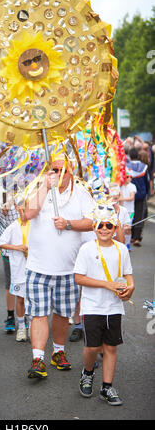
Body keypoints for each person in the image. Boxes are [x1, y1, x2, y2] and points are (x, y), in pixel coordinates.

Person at [24, 157, 94, 379]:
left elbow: (93, 221)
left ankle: (58, 352)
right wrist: (45, 186)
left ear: (71, 173)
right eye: (54, 169)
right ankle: (38, 359)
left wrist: (69, 224)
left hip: (67, 268)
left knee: (62, 314)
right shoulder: (40, 188)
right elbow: (28, 214)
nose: (58, 173)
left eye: (63, 169)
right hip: (38, 266)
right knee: (39, 313)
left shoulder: (81, 193)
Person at [74, 202, 135, 406]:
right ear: (94, 227)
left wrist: (130, 288)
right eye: (100, 225)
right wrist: (106, 284)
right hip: (92, 306)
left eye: (109, 225)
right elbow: (79, 278)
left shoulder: (121, 250)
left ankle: (107, 386)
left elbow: (128, 276)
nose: (104, 229)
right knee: (92, 347)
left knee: (111, 347)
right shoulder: (86, 249)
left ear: (115, 227)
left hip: (114, 307)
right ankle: (88, 372)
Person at [0, 201, 30, 342]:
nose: (24, 211)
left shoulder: (35, 225)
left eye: (27, 208)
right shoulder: (13, 226)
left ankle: (34, 325)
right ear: (17, 208)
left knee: (34, 299)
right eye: (22, 208)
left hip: (34, 267)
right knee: (20, 298)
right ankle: (22, 327)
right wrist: (17, 248)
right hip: (19, 269)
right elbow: (0, 243)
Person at [127, 147, 150, 246]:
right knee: (139, 216)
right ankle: (137, 238)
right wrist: (148, 192)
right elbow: (147, 181)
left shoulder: (126, 166)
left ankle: (130, 236)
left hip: (128, 195)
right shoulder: (144, 167)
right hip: (141, 194)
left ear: (130, 156)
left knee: (129, 214)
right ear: (138, 155)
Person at [120, 169, 137, 250]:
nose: (129, 178)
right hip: (122, 211)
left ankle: (128, 244)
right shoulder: (120, 186)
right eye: (127, 176)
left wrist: (122, 199)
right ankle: (122, 243)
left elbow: (132, 197)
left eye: (131, 177)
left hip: (130, 211)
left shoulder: (132, 186)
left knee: (128, 228)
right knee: (121, 228)